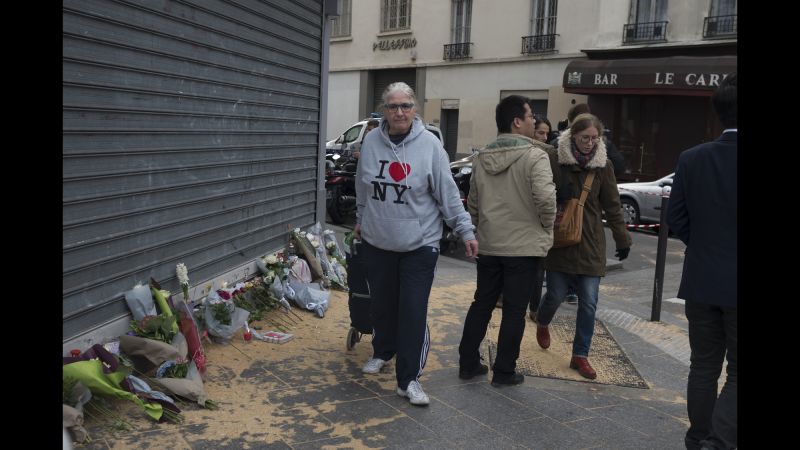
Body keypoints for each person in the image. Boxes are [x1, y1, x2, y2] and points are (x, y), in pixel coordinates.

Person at [353, 82, 478, 406]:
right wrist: (361, 220)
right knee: (381, 305)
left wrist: (465, 230)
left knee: (412, 310)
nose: (399, 112)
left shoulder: (430, 146)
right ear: (384, 110)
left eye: (406, 106)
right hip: (378, 240)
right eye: (393, 106)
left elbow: (448, 194)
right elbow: (363, 187)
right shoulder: (370, 142)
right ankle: (383, 350)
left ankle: (409, 379)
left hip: (420, 244)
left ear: (415, 109)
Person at [458, 95, 555, 387]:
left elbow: (473, 203)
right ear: (516, 122)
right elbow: (546, 200)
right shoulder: (535, 156)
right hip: (523, 248)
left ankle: (468, 363)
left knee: (482, 303)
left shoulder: (482, 157)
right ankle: (503, 371)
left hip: (489, 244)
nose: (533, 121)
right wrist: (545, 228)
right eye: (530, 117)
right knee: (514, 310)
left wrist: (482, 226)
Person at [666, 73, 737, 450]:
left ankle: (698, 437)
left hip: (701, 280)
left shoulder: (691, 158)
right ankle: (720, 442)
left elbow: (676, 219)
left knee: (703, 366)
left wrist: (706, 246)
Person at [534, 113, 632, 380]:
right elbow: (539, 191)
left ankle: (580, 355)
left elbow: (613, 205)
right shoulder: (556, 160)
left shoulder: (604, 166)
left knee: (589, 303)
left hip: (590, 242)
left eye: (594, 138)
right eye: (584, 138)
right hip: (562, 240)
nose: (590, 143)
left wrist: (623, 238)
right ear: (573, 136)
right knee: (554, 294)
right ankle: (542, 321)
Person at [528, 114, 560, 321]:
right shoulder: (529, 155)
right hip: (527, 217)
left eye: (547, 133)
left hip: (541, 218)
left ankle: (534, 308)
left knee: (540, 267)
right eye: (541, 132)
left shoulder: (550, 155)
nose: (545, 137)